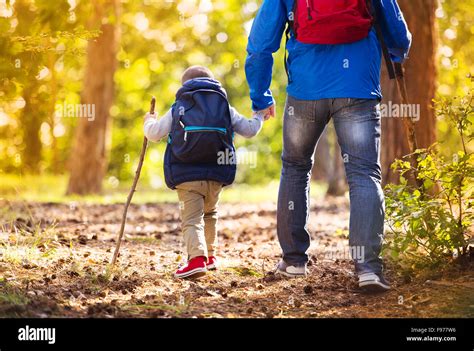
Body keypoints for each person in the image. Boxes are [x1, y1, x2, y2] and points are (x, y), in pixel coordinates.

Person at [245, 0, 411, 292]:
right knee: (363, 173)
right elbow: (398, 36)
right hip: (358, 87)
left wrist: (261, 96)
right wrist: (396, 54)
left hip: (305, 92)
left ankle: (294, 260)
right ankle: (368, 268)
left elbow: (260, 44)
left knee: (295, 167)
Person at [144, 66, 264, 279]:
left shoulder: (178, 107)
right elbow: (249, 130)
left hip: (186, 174)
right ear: (213, 82)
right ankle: (209, 257)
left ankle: (196, 260)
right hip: (217, 174)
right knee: (210, 214)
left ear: (184, 85)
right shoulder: (224, 106)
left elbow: (154, 134)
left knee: (191, 219)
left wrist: (149, 121)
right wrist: (260, 115)